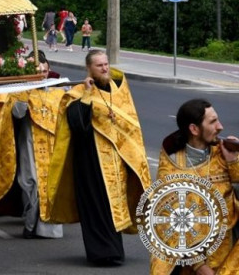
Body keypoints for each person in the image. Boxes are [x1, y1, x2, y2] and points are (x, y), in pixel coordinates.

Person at [47, 49, 151, 266]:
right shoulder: (76, 93)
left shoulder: (118, 89)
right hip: (90, 162)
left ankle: (115, 251)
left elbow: (130, 124)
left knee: (113, 205)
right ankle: (101, 253)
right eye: (99, 66)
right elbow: (77, 126)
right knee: (96, 206)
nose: (104, 69)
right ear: (89, 69)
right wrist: (86, 95)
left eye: (105, 64)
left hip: (115, 160)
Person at [150, 99, 239, 275]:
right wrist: (199, 266)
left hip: (227, 254)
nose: (220, 127)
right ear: (194, 129)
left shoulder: (224, 154)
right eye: (213, 122)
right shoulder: (173, 165)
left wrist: (234, 162)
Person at [0, 53, 64, 239]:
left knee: (51, 185)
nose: (42, 75)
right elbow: (15, 113)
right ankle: (31, 221)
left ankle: (44, 228)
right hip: (29, 141)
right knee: (30, 182)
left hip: (53, 145)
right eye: (38, 72)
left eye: (45, 71)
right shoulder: (21, 91)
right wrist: (25, 98)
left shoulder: (57, 92)